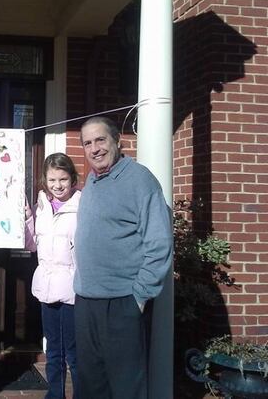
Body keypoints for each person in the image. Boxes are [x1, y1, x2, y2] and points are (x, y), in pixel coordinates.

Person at [73, 116, 172, 399]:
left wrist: (139, 296)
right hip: (86, 301)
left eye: (100, 140)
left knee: (126, 387)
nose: (95, 149)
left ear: (117, 140)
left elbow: (159, 243)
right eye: (88, 143)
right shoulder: (92, 180)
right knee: (91, 385)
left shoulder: (140, 180)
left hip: (121, 302)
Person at [25, 153, 81, 399]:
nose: (58, 185)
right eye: (52, 180)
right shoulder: (41, 208)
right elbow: (31, 245)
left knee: (74, 352)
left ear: (72, 179)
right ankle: (55, 394)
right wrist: (27, 218)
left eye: (63, 179)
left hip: (73, 290)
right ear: (44, 181)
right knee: (53, 350)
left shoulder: (82, 206)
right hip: (47, 288)